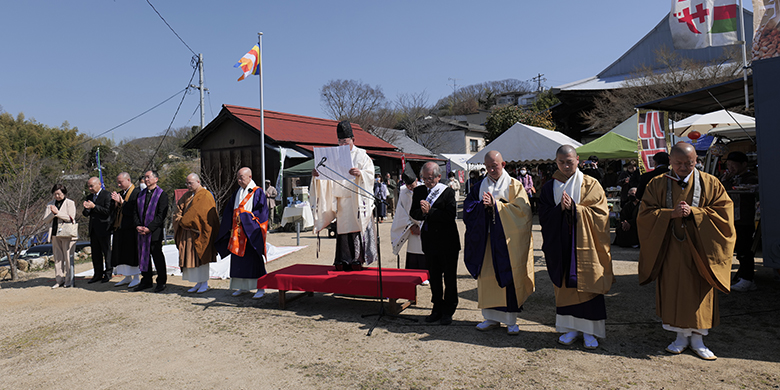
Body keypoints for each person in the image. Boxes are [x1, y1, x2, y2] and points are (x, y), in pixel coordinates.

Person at [637, 142, 736, 360]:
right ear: (670, 162)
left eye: (689, 163)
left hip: (701, 250)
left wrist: (696, 213)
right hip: (670, 247)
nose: (683, 167)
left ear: (696, 161)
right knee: (674, 288)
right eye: (679, 163)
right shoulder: (657, 184)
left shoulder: (711, 183)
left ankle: (699, 339)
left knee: (700, 289)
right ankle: (680, 336)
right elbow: (644, 215)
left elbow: (724, 214)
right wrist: (669, 214)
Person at [538, 145, 613, 349]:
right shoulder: (549, 187)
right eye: (561, 162)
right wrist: (559, 209)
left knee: (588, 286)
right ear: (556, 162)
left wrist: (575, 209)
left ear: (577, 160)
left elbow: (601, 214)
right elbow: (543, 216)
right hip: (561, 244)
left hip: (586, 244)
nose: (565, 165)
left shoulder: (590, 184)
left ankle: (590, 332)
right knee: (564, 288)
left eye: (569, 161)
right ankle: (569, 328)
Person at [463, 151, 534, 335]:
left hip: (507, 241)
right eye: (488, 167)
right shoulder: (479, 186)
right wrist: (481, 206)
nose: (492, 170)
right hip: (486, 240)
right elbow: (468, 208)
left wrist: (496, 205)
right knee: (487, 279)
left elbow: (523, 211)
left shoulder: (514, 185)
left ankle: (511, 320)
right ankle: (490, 318)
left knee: (507, 278)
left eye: (495, 165)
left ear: (503, 163)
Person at [310, 120, 377, 271]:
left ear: (353, 139)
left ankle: (357, 259)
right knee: (343, 228)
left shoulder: (362, 156)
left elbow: (370, 174)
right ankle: (343, 259)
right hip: (341, 198)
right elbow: (327, 177)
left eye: (345, 141)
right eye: (340, 141)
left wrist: (361, 174)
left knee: (356, 226)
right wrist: (317, 175)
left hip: (356, 197)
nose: (342, 145)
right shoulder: (334, 154)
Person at [410, 162, 461, 325]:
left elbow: (449, 215)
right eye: (424, 178)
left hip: (447, 242)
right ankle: (437, 308)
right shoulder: (419, 191)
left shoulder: (447, 192)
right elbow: (414, 212)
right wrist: (423, 214)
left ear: (439, 177)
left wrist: (429, 212)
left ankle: (449, 310)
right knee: (435, 277)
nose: (427, 182)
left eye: (430, 178)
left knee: (450, 278)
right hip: (429, 241)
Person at [216, 167, 269, 298]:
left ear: (250, 177)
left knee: (254, 260)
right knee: (238, 260)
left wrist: (247, 222)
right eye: (238, 178)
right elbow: (229, 211)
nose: (239, 180)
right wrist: (229, 225)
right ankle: (242, 287)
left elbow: (261, 213)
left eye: (242, 177)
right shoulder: (237, 192)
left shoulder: (258, 192)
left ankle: (260, 288)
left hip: (251, 232)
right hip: (237, 232)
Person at [719, 151, 759, 292]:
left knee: (744, 248)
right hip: (732, 217)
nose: (730, 167)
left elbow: (738, 191)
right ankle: (741, 275)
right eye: (728, 164)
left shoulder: (751, 178)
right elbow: (720, 190)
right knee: (737, 248)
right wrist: (726, 180)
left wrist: (728, 182)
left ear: (743, 164)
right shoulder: (729, 177)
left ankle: (748, 279)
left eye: (733, 165)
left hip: (745, 218)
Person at [173, 173, 220, 294]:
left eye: (190, 183)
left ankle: (204, 282)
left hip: (200, 232)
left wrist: (185, 221)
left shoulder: (205, 195)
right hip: (187, 232)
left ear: (198, 182)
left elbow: (200, 214)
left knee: (201, 257)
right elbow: (178, 209)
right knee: (192, 258)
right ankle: (197, 282)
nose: (188, 185)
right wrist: (180, 220)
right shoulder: (188, 195)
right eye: (187, 183)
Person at [133, 170, 170, 293]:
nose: (146, 179)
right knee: (143, 256)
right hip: (141, 231)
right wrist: (138, 225)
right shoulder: (140, 194)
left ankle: (161, 281)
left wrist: (149, 228)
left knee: (157, 255)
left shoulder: (162, 195)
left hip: (154, 232)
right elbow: (135, 212)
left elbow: (161, 215)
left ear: (156, 179)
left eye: (149, 177)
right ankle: (146, 280)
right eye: (145, 177)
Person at [390, 170, 427, 280]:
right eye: (407, 185)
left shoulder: (424, 189)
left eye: (412, 185)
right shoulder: (403, 191)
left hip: (424, 225)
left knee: (424, 249)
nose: (410, 187)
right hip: (410, 225)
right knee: (413, 249)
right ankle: (412, 273)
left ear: (416, 180)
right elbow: (400, 211)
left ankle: (426, 274)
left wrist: (422, 226)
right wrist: (410, 225)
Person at [109, 172, 141, 288]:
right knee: (121, 253)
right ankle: (127, 276)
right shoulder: (122, 193)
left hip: (131, 227)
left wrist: (122, 202)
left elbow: (135, 209)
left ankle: (136, 277)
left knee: (132, 253)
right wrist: (116, 202)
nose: (118, 185)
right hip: (120, 226)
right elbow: (115, 210)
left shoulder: (136, 192)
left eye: (120, 182)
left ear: (128, 180)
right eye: (117, 182)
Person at [43, 184, 77, 288]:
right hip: (54, 234)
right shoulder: (50, 204)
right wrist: (52, 213)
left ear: (64, 193)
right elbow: (45, 220)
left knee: (67, 257)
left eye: (59, 194)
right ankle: (59, 279)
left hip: (66, 234)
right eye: (55, 194)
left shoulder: (70, 203)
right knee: (57, 257)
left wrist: (57, 213)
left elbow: (71, 218)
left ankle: (68, 279)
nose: (57, 196)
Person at [83, 177, 113, 284]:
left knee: (106, 252)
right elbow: (85, 213)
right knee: (96, 253)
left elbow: (108, 211)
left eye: (92, 186)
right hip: (93, 228)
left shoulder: (107, 195)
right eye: (89, 186)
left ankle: (108, 273)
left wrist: (94, 206)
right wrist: (87, 208)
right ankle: (97, 273)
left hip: (104, 227)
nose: (90, 188)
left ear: (99, 184)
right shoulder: (89, 197)